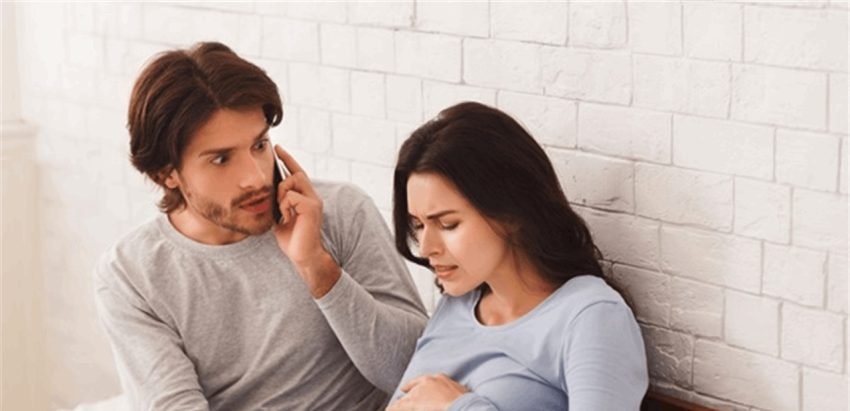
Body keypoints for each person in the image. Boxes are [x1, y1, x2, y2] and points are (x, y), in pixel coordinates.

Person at [93, 42, 427, 410]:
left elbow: (416, 371)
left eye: (259, 145)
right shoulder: (132, 275)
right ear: (166, 173)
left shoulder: (341, 211)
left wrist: (317, 268)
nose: (254, 177)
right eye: (221, 159)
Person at [387, 102, 648, 410]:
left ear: (510, 212)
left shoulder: (591, 316)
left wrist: (458, 407)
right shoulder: (457, 303)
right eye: (418, 225)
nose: (426, 247)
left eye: (448, 224)